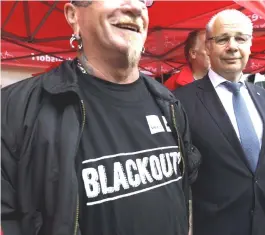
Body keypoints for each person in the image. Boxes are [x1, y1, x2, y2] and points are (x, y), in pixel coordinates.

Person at [1, 1, 201, 235]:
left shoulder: (169, 103)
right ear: (73, 15)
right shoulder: (16, 109)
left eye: (144, 0)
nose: (135, 7)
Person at [174, 9, 265, 235]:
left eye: (240, 38)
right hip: (212, 227)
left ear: (250, 45)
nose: (232, 46)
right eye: (223, 39)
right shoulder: (181, 102)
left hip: (264, 224)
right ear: (208, 46)